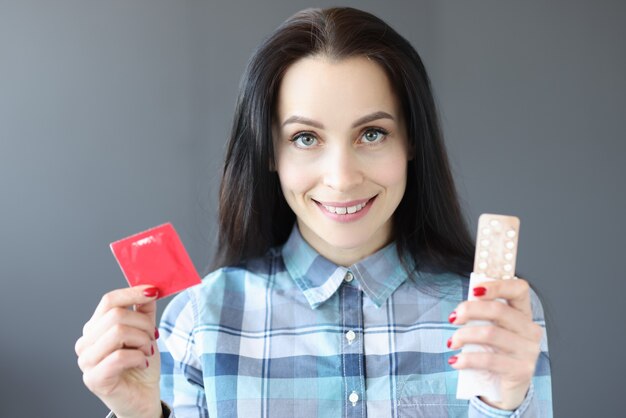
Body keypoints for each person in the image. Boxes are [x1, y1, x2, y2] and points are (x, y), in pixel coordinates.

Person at [75, 6, 552, 418]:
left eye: (372, 134)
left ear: (411, 141)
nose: (342, 177)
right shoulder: (200, 322)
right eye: (306, 138)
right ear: (270, 153)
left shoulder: (495, 318)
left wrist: (505, 402)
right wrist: (139, 412)